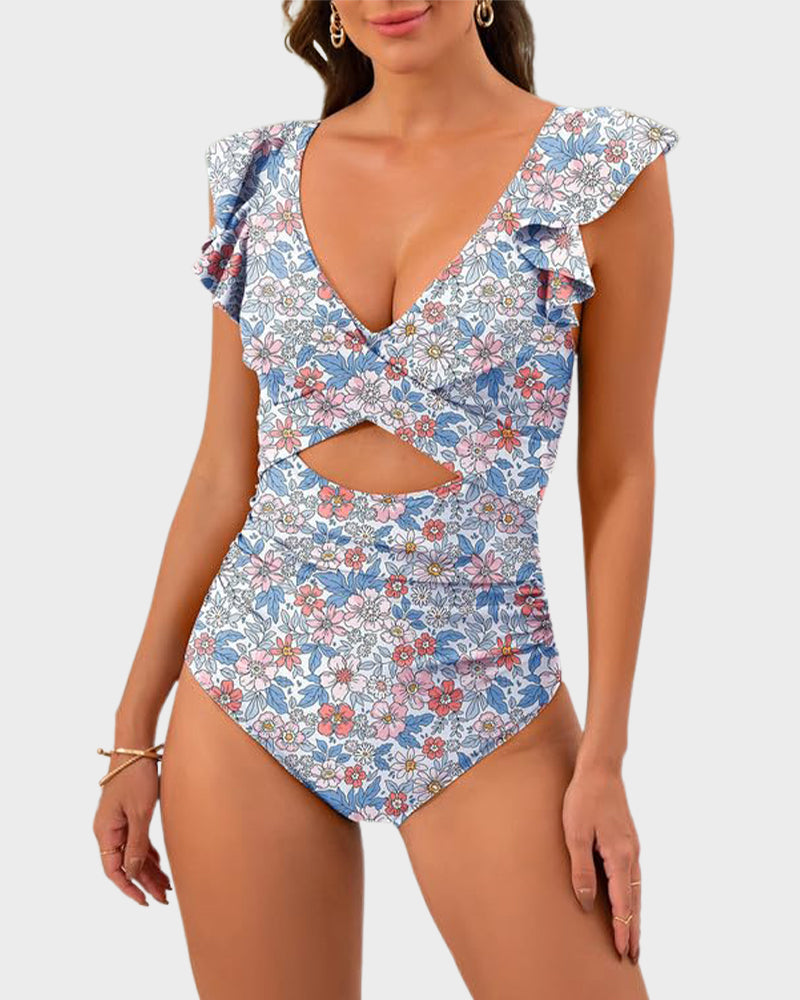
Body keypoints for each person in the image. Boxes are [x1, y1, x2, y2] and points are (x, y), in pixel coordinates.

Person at [93, 2, 678, 996]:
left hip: (485, 697)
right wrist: (130, 733)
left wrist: (606, 760)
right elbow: (222, 471)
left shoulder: (596, 170)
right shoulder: (259, 174)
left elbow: (618, 472)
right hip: (248, 693)